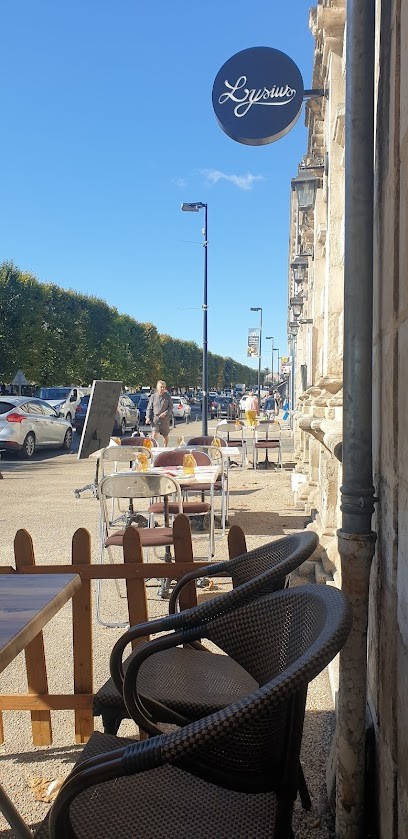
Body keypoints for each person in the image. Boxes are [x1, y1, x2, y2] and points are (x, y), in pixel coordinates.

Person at [145, 380, 173, 446]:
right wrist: (148, 417)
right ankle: (154, 448)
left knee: (165, 435)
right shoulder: (153, 397)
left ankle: (165, 448)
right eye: (161, 387)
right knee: (154, 433)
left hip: (165, 419)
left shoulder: (168, 396)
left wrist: (165, 413)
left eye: (164, 387)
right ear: (157, 387)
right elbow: (149, 408)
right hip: (155, 419)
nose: (162, 388)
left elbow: (171, 407)